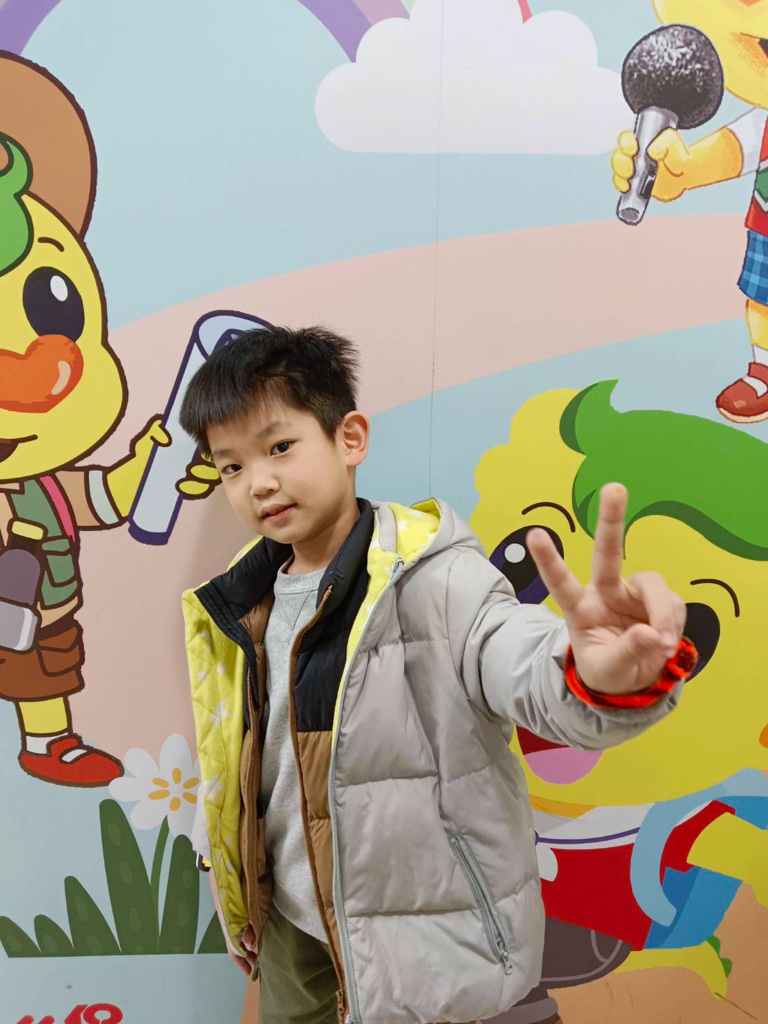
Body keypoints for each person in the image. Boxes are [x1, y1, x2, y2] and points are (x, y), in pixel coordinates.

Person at [177, 326, 696, 1024]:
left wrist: (597, 675)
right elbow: (243, 763)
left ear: (349, 438)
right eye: (231, 467)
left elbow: (519, 659)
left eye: (278, 447)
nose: (258, 482)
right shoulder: (242, 599)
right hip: (292, 929)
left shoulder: (439, 581)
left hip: (422, 944)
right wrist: (237, 888)